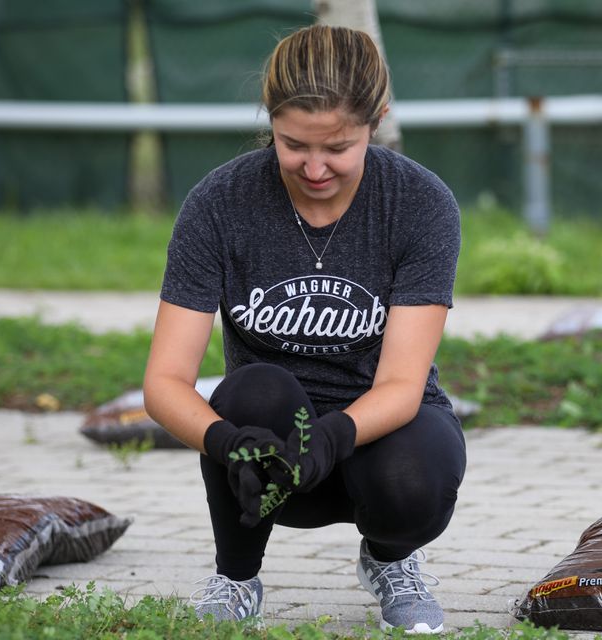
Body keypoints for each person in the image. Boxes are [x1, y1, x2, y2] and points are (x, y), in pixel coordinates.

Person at [143, 24, 466, 635]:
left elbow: (401, 382)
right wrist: (224, 443)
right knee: (252, 389)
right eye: (294, 145)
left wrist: (336, 435)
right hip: (269, 449)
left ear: (378, 121)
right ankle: (236, 579)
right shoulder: (219, 203)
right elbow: (164, 382)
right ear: (270, 119)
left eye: (338, 148)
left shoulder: (421, 205)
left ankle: (392, 558)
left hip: (376, 430)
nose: (315, 167)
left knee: (411, 480)